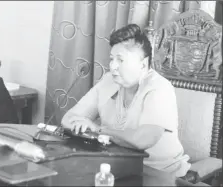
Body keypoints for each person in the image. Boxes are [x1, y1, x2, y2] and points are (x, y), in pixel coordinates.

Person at [61, 24, 191, 177]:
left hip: (159, 174)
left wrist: (98, 130)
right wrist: (82, 126)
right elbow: (68, 119)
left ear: (143, 64)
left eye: (120, 60)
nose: (112, 66)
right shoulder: (108, 81)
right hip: (116, 166)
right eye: (111, 59)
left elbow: (143, 140)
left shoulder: (159, 88)